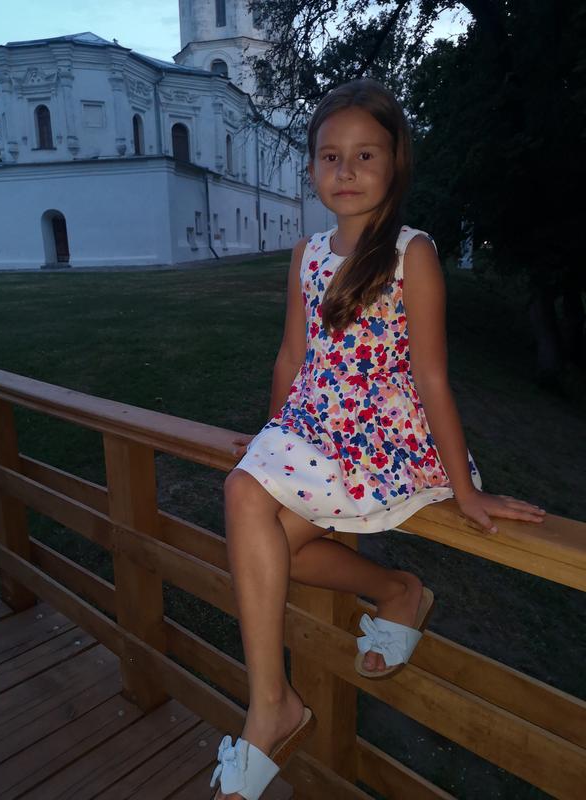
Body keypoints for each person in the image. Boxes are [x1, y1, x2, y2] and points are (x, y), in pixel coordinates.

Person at [210, 78, 546, 800]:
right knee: (259, 524)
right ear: (311, 168)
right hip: (312, 428)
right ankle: (394, 594)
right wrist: (271, 440)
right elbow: (292, 357)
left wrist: (466, 489)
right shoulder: (306, 254)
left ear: (396, 164)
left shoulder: (410, 252)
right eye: (330, 156)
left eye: (365, 155)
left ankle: (273, 706)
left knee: (254, 521)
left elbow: (431, 375)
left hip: (379, 437)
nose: (346, 170)